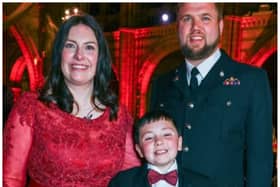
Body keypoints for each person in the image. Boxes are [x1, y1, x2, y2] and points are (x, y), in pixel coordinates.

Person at [3, 14, 140, 187]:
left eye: (89, 47)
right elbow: (10, 179)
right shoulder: (31, 107)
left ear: (100, 58)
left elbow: (132, 176)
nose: (79, 56)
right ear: (59, 53)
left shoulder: (119, 115)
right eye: (70, 46)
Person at [150, 3, 273, 187]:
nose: (195, 27)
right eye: (187, 18)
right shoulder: (162, 84)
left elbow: (260, 163)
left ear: (221, 26)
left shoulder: (251, 80)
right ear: (178, 28)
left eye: (205, 18)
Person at [109, 111, 184, 187]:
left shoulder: (196, 181)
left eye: (167, 134)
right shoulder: (121, 182)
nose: (159, 141)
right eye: (149, 138)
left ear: (179, 143)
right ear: (139, 150)